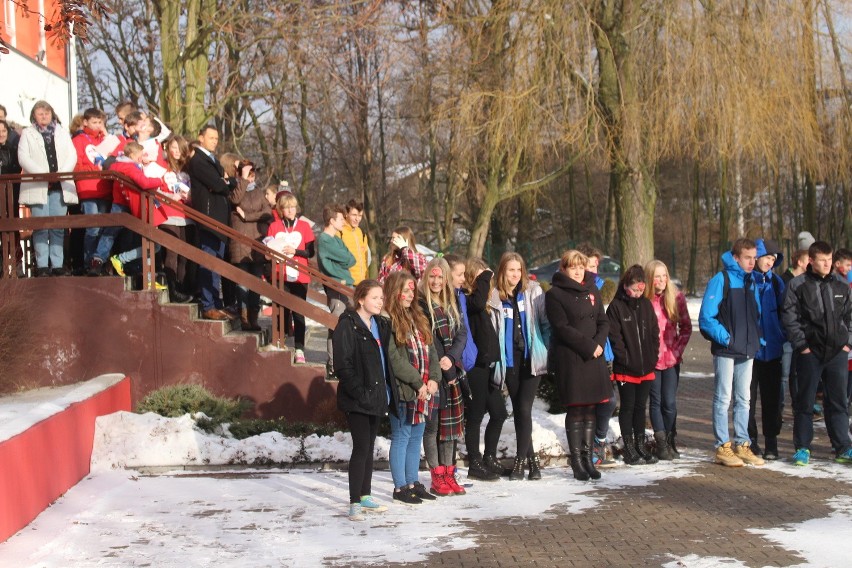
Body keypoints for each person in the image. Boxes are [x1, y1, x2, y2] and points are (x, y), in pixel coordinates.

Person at [781, 241, 852, 466]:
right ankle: (802, 447)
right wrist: (802, 345)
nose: (827, 264)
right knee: (805, 401)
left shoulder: (841, 284)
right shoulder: (797, 285)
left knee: (838, 401)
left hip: (837, 353)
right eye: (822, 260)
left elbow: (850, 316)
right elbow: (789, 316)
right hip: (809, 352)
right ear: (811, 261)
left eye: (830, 260)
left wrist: (847, 343)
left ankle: (842, 446)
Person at [546, 250, 611, 481]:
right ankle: (576, 462)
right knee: (576, 410)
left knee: (591, 410)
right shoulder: (554, 294)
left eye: (581, 267)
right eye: (572, 267)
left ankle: (588, 459)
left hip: (594, 357)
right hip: (573, 358)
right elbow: (561, 328)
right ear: (563, 269)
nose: (577, 271)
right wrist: (588, 346)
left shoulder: (592, 289)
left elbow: (603, 320)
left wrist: (599, 344)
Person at [699, 238, 764, 467]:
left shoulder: (751, 282)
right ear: (736, 257)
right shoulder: (721, 280)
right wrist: (726, 338)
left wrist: (757, 337)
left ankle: (742, 444)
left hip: (747, 349)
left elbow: (755, 315)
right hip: (727, 350)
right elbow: (706, 318)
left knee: (744, 399)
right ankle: (722, 446)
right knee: (723, 398)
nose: (752, 262)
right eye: (748, 258)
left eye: (754, 258)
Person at [332, 279, 394, 521]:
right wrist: (359, 392)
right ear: (361, 299)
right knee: (360, 447)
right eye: (375, 297)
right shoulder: (348, 325)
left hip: (377, 396)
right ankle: (354, 502)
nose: (380, 302)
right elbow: (343, 365)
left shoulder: (380, 324)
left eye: (381, 298)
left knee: (369, 446)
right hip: (357, 398)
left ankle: (365, 494)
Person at [490, 252, 550, 480]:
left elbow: (545, 323)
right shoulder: (495, 295)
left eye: (518, 270)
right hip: (510, 360)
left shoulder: (533, 291)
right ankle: (533, 461)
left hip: (531, 358)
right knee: (520, 412)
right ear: (503, 271)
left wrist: (545, 350)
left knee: (523, 409)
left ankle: (519, 463)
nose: (515, 274)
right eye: (510, 270)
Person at [384, 270, 441, 505]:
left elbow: (432, 351)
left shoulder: (418, 317)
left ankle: (412, 481)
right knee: (402, 435)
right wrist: (417, 382)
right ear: (394, 292)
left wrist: (434, 379)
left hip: (424, 390)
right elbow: (395, 360)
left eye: (411, 290)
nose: (409, 295)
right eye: (404, 290)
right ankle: (400, 487)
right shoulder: (388, 320)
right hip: (405, 389)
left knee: (416, 436)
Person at [419, 257, 468, 496]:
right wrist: (444, 366)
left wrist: (453, 357)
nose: (436, 281)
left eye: (440, 277)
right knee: (433, 427)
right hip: (433, 372)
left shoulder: (453, 300)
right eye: (432, 276)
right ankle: (436, 475)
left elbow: (462, 332)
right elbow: (429, 341)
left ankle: (449, 472)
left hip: (451, 370)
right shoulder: (421, 303)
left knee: (450, 428)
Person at [185, 125, 240, 321]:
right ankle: (208, 304)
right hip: (209, 218)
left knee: (216, 263)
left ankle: (216, 303)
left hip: (218, 218)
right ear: (201, 138)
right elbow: (219, 185)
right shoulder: (199, 160)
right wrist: (229, 182)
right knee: (209, 262)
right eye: (211, 137)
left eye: (217, 138)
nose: (215, 141)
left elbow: (221, 184)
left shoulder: (212, 159)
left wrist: (226, 182)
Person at [17, 100, 77, 277]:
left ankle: (57, 264)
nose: (44, 116)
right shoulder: (28, 133)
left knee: (58, 227)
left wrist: (61, 173)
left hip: (60, 185)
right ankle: (42, 265)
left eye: (47, 113)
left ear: (52, 114)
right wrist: (42, 174)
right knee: (41, 227)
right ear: (34, 115)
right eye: (40, 113)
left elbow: (72, 155)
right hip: (38, 185)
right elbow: (23, 157)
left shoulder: (62, 132)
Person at [607, 265, 660, 465]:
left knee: (640, 407)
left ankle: (640, 444)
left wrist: (652, 357)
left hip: (646, 367)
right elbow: (615, 337)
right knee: (627, 407)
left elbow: (654, 333)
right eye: (634, 290)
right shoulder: (616, 307)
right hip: (626, 369)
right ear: (626, 285)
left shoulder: (646, 305)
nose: (637, 294)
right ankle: (628, 447)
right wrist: (625, 359)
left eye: (640, 290)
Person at [462, 257, 506, 481]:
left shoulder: (484, 302)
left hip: (488, 364)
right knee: (477, 414)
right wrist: (485, 275)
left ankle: (489, 457)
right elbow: (477, 302)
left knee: (499, 412)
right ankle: (474, 462)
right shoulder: (468, 299)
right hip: (475, 365)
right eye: (480, 277)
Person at [644, 259, 692, 460]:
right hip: (652, 360)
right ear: (650, 279)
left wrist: (677, 351)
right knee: (655, 402)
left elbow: (686, 327)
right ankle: (661, 443)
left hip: (671, 359)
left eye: (664, 276)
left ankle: (671, 439)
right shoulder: (645, 301)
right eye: (657, 276)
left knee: (669, 403)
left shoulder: (676, 298)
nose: (662, 280)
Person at [578, 244, 617, 467]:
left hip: (602, 351)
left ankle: (598, 441)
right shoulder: (575, 288)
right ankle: (585, 448)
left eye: (596, 265)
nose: (594, 269)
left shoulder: (598, 286)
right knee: (589, 403)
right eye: (590, 265)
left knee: (609, 400)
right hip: (585, 352)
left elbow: (602, 321)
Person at [747, 239, 786, 461]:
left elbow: (786, 312)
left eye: (773, 259)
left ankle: (772, 442)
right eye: (767, 258)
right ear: (757, 257)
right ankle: (751, 442)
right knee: (748, 401)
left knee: (772, 401)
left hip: (773, 351)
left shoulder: (778, 283)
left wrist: (782, 335)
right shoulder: (746, 281)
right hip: (751, 352)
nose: (769, 262)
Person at [265, 191, 315, 363]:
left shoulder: (304, 226)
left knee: (299, 313)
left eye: (293, 207)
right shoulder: (274, 226)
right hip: (280, 274)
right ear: (281, 210)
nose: (291, 210)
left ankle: (300, 349)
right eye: (287, 208)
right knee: (281, 309)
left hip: (300, 276)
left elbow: (311, 252)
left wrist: (296, 251)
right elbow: (269, 248)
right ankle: (281, 342)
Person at [71, 108, 114, 275]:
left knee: (103, 227)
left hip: (104, 187)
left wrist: (106, 133)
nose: (97, 126)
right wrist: (94, 168)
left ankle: (99, 261)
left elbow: (116, 154)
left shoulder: (105, 140)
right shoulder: (79, 140)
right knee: (92, 227)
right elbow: (76, 165)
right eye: (94, 122)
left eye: (100, 123)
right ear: (85, 122)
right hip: (87, 188)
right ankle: (89, 262)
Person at [227, 160, 268, 330]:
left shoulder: (259, 193)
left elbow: (267, 213)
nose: (251, 178)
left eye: (252, 175)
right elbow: (235, 200)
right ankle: (244, 317)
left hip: (256, 243)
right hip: (240, 241)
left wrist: (247, 216)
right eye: (248, 174)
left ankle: (254, 317)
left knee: (256, 283)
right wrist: (242, 181)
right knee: (242, 283)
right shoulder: (235, 189)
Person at [318, 203, 356, 374]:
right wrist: (344, 259)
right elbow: (345, 257)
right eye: (341, 219)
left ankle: (345, 362)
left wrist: (345, 259)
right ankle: (333, 365)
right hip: (336, 286)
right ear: (332, 221)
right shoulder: (324, 239)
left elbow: (351, 258)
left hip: (346, 285)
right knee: (336, 324)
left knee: (350, 325)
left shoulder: (337, 239)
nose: (344, 222)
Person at [341, 199, 370, 284]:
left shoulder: (361, 232)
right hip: (346, 282)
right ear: (346, 214)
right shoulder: (340, 231)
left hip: (362, 283)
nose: (357, 219)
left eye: (360, 216)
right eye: (354, 215)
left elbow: (365, 258)